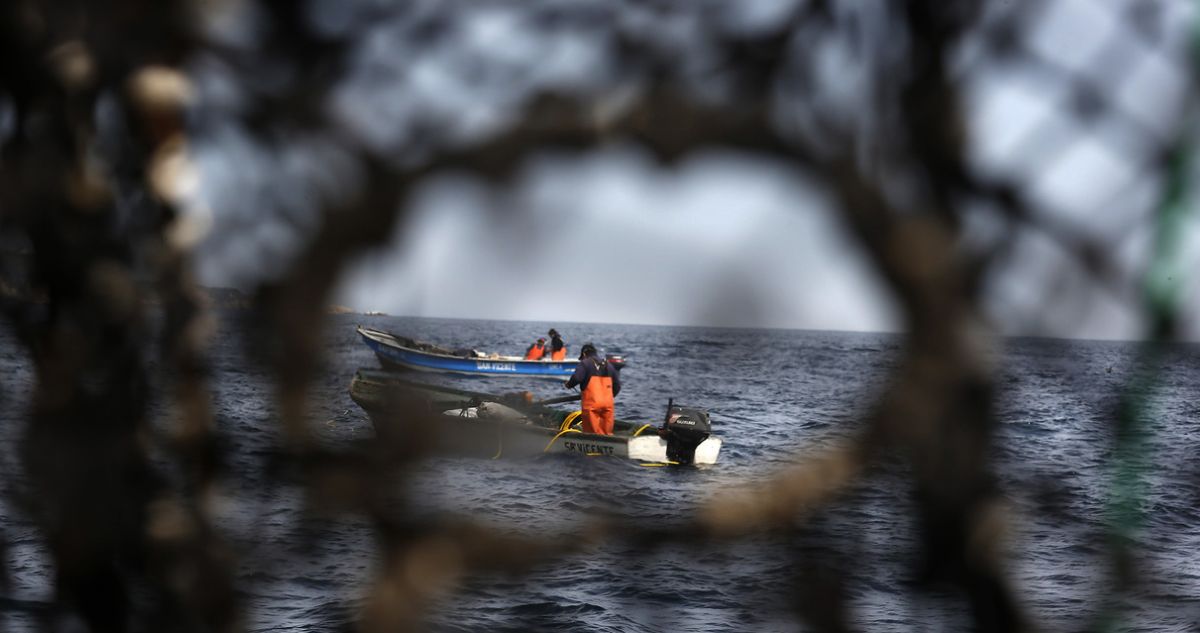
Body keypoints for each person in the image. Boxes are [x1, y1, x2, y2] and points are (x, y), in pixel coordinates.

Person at [564, 343, 620, 435]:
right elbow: (617, 386)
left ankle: (593, 446)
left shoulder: (585, 363)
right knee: (606, 433)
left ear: (584, 354)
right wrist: (608, 397)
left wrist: (569, 384)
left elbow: (577, 378)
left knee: (591, 433)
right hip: (608, 404)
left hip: (592, 404)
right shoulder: (609, 365)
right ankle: (608, 445)